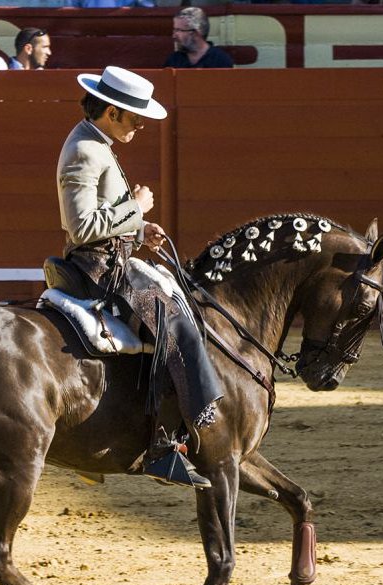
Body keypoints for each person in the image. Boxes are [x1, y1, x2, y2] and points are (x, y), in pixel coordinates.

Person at [56, 66, 223, 489]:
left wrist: (138, 230)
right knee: (177, 327)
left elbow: (101, 217)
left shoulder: (96, 142)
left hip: (114, 258)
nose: (141, 124)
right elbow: (81, 227)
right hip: (101, 269)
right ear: (111, 111)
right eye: (134, 116)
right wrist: (137, 209)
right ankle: (164, 445)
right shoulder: (86, 149)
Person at [164, 7, 234, 69]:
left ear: (196, 33)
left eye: (179, 30)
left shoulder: (220, 61)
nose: (174, 36)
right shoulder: (174, 60)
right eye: (175, 30)